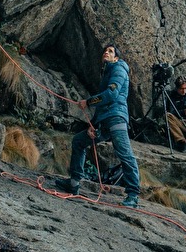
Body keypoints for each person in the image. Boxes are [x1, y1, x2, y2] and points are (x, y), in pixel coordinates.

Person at [56, 44, 142, 207]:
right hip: (104, 120)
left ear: (116, 57)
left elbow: (111, 94)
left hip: (116, 118)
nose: (106, 53)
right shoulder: (107, 72)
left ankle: (133, 195)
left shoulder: (119, 68)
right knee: (79, 141)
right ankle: (74, 184)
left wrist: (88, 102)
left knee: (124, 153)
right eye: (105, 51)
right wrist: (93, 125)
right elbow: (104, 103)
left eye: (110, 51)